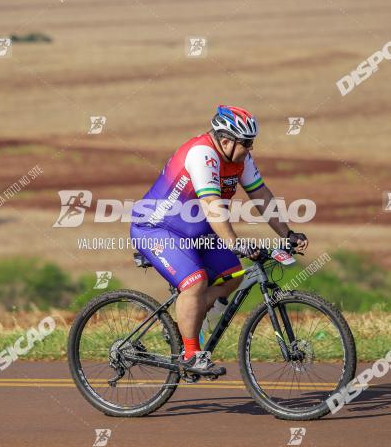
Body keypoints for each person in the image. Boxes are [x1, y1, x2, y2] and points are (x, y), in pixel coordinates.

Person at [130, 105, 308, 377]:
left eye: (252, 143)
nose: (250, 148)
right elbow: (212, 205)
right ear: (226, 140)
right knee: (196, 282)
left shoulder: (240, 159)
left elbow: (260, 194)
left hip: (196, 231)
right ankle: (190, 354)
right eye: (246, 143)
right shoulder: (202, 154)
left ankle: (186, 328)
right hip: (157, 228)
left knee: (234, 275)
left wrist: (286, 233)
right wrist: (235, 242)